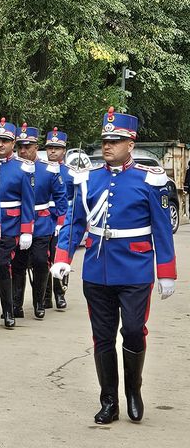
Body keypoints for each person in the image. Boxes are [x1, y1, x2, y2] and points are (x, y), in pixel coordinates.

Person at [52, 107, 177, 424]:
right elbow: (74, 223)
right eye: (105, 140)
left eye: (116, 140)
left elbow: (162, 229)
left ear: (130, 144)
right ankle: (109, 401)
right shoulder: (89, 180)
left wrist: (166, 272)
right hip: (97, 270)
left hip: (135, 269)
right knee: (102, 336)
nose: (107, 145)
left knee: (134, 331)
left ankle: (133, 391)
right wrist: (63, 257)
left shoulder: (149, 181)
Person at [0, 119, 34, 330]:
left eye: (5, 141)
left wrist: (26, 230)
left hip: (10, 224)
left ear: (13, 143)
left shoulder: (23, 168)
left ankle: (9, 310)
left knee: (1, 264)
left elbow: (28, 202)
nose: (1, 145)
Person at [16, 123, 66, 320]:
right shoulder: (13, 167)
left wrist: (60, 222)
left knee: (39, 260)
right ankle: (16, 304)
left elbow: (61, 198)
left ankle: (40, 302)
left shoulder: (48, 169)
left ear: (36, 147)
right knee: (18, 264)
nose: (23, 150)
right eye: (20, 146)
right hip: (18, 221)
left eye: (27, 147)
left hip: (42, 222)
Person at [42, 128, 73, 311]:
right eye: (50, 147)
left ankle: (60, 293)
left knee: (58, 256)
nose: (52, 151)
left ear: (64, 150)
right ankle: (45, 296)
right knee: (43, 258)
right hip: (45, 217)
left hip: (63, 218)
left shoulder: (70, 172)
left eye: (57, 148)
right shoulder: (41, 170)